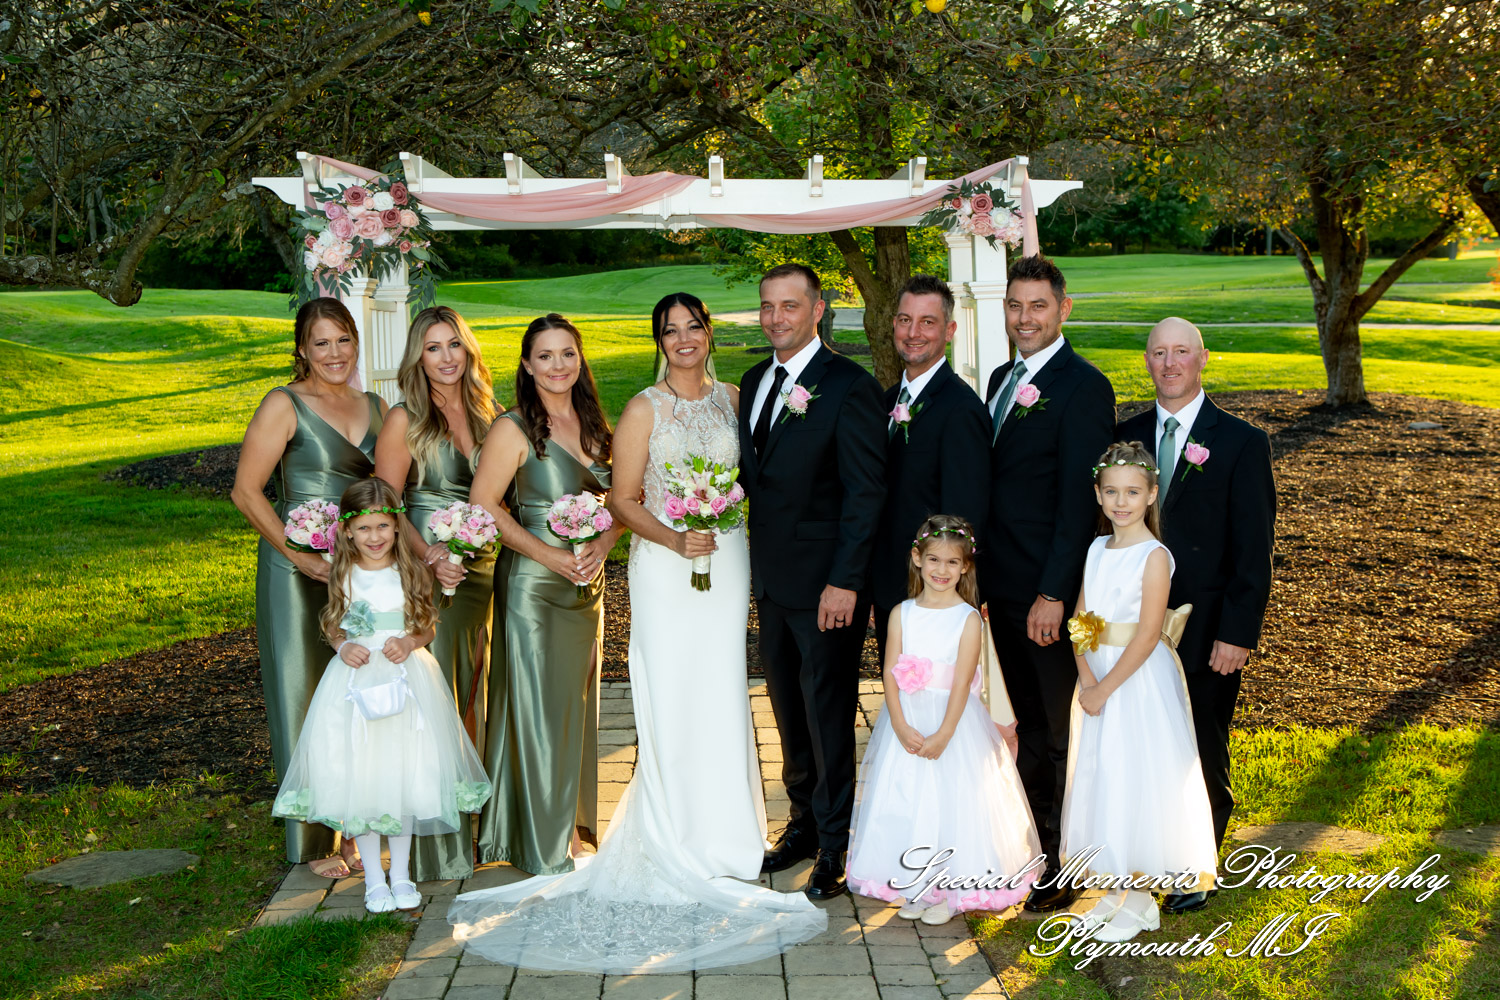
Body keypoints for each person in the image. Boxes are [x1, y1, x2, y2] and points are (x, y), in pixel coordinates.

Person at [448, 293, 827, 972]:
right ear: (658, 340)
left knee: (720, 688)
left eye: (694, 327)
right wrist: (678, 536)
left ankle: (730, 836)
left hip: (726, 556)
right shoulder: (642, 408)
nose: (684, 339)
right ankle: (670, 832)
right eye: (670, 330)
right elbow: (625, 497)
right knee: (672, 689)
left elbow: (749, 481)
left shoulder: (738, 399)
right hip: (667, 562)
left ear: (709, 333)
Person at [271, 478, 491, 914]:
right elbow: (334, 622)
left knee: (405, 775)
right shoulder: (342, 570)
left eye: (384, 527)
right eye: (366, 528)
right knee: (364, 779)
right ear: (348, 531)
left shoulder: (410, 569)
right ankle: (374, 880)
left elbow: (427, 624)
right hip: (355, 684)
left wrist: (410, 643)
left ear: (396, 527)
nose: (375, 537)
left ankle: (402, 874)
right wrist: (340, 646)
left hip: (407, 679)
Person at [1115, 317, 1275, 913]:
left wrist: (1238, 633)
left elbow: (1254, 548)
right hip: (1133, 629)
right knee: (1145, 742)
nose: (1170, 363)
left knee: (1201, 740)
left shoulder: (1240, 441)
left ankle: (1197, 865)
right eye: (1159, 353)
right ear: (1148, 361)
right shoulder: (1125, 437)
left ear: (1203, 358)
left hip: (1207, 629)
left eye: (1182, 351)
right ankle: (1150, 849)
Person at [739, 263, 886, 899]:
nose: (776, 318)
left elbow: (865, 493)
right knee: (787, 711)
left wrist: (845, 581)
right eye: (767, 306)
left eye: (789, 306)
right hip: (771, 581)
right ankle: (800, 823)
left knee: (828, 716)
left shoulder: (850, 386)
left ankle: (836, 845)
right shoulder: (753, 381)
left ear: (818, 309)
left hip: (827, 586)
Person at [232, 297, 387, 874]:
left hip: (358, 572)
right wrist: (296, 556)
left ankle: (360, 831)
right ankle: (316, 841)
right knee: (303, 697)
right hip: (294, 572)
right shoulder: (284, 403)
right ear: (302, 349)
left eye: (343, 340)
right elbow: (247, 492)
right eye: (321, 343)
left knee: (361, 694)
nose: (334, 353)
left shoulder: (375, 404)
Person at [979, 254, 1115, 912]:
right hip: (1001, 584)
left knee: (1060, 731)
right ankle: (1036, 846)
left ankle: (1068, 862)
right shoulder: (1003, 378)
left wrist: (1054, 594)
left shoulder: (1084, 387)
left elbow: (1075, 502)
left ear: (1063, 309)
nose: (1024, 318)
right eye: (1014, 305)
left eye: (1037, 306)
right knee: (1027, 724)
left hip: (1045, 593)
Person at [469, 314, 619, 875]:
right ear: (527, 365)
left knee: (574, 706)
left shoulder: (594, 422)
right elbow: (485, 504)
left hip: (587, 584)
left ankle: (570, 826)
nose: (558, 366)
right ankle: (541, 839)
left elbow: (625, 499)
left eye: (568, 354)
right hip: (533, 583)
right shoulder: (512, 428)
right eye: (546, 356)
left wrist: (603, 544)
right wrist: (551, 555)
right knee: (535, 707)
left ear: (581, 360)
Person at [1058, 442, 1217, 942]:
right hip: (1097, 676)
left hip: (1135, 679)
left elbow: (1149, 633)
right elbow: (1081, 620)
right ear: (1099, 495)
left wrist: (1105, 686)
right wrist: (1085, 676)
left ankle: (1143, 897)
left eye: (1132, 491)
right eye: (1111, 492)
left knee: (1137, 777)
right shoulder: (1094, 549)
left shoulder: (1154, 556)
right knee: (1104, 775)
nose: (1120, 502)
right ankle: (1113, 891)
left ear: (1151, 494)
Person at [848, 515, 1040, 926]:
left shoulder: (968, 618)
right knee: (911, 799)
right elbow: (889, 671)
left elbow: (962, 683)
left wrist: (945, 733)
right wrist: (898, 723)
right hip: (909, 720)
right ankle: (917, 881)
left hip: (952, 725)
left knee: (951, 803)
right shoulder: (901, 613)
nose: (941, 570)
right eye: (933, 559)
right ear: (916, 558)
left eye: (953, 563)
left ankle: (947, 888)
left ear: (966, 566)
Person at [374, 305, 499, 882]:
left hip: (486, 572)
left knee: (478, 694)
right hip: (430, 573)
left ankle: (480, 827)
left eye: (454, 345)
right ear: (416, 358)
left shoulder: (489, 412)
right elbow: (388, 504)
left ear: (467, 350)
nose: (446, 357)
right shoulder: (404, 419)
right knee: (436, 703)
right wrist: (432, 558)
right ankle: (435, 846)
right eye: (433, 348)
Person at [871, 275, 991, 665]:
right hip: (890, 582)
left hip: (929, 592)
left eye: (927, 322)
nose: (913, 332)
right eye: (905, 320)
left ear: (950, 330)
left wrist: (940, 591)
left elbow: (964, 514)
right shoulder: (889, 399)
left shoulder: (961, 409)